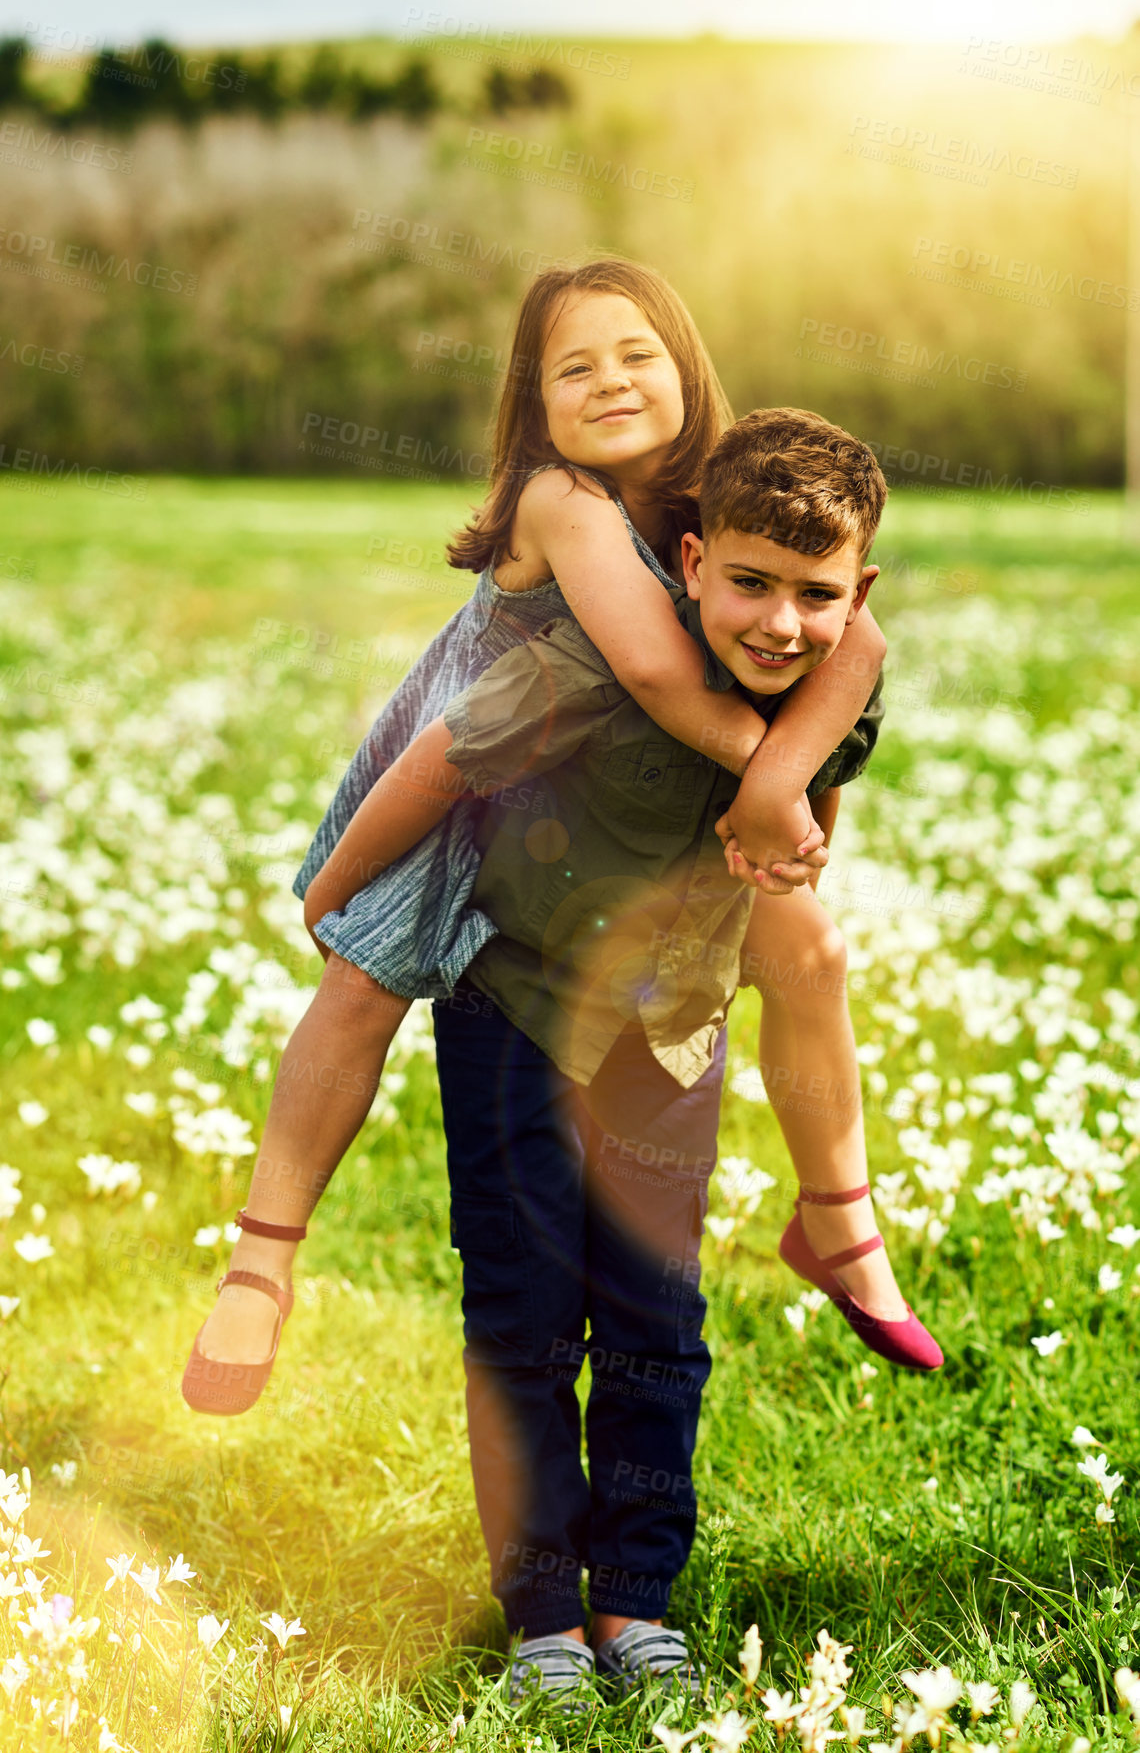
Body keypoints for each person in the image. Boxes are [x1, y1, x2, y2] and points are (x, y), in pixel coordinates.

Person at [240, 408, 942, 1705]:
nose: (782, 623)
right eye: (749, 583)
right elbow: (438, 761)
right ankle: (543, 1614)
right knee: (521, 1316)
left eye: (816, 595)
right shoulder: (584, 663)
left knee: (656, 1318)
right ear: (687, 562)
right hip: (515, 1009)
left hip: (669, 1037)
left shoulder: (847, 682)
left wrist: (789, 842)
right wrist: (331, 890)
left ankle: (636, 1601)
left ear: (861, 593)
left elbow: (812, 804)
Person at [181, 261, 887, 1412]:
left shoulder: (728, 501)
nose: (609, 380)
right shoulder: (561, 499)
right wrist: (773, 777)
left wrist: (781, 790)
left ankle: (839, 1216)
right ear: (533, 402)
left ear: (686, 368)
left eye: (636, 354)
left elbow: (859, 642)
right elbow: (658, 669)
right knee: (363, 985)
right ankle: (263, 1255)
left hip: (636, 806)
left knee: (811, 953)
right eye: (574, 366)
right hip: (478, 792)